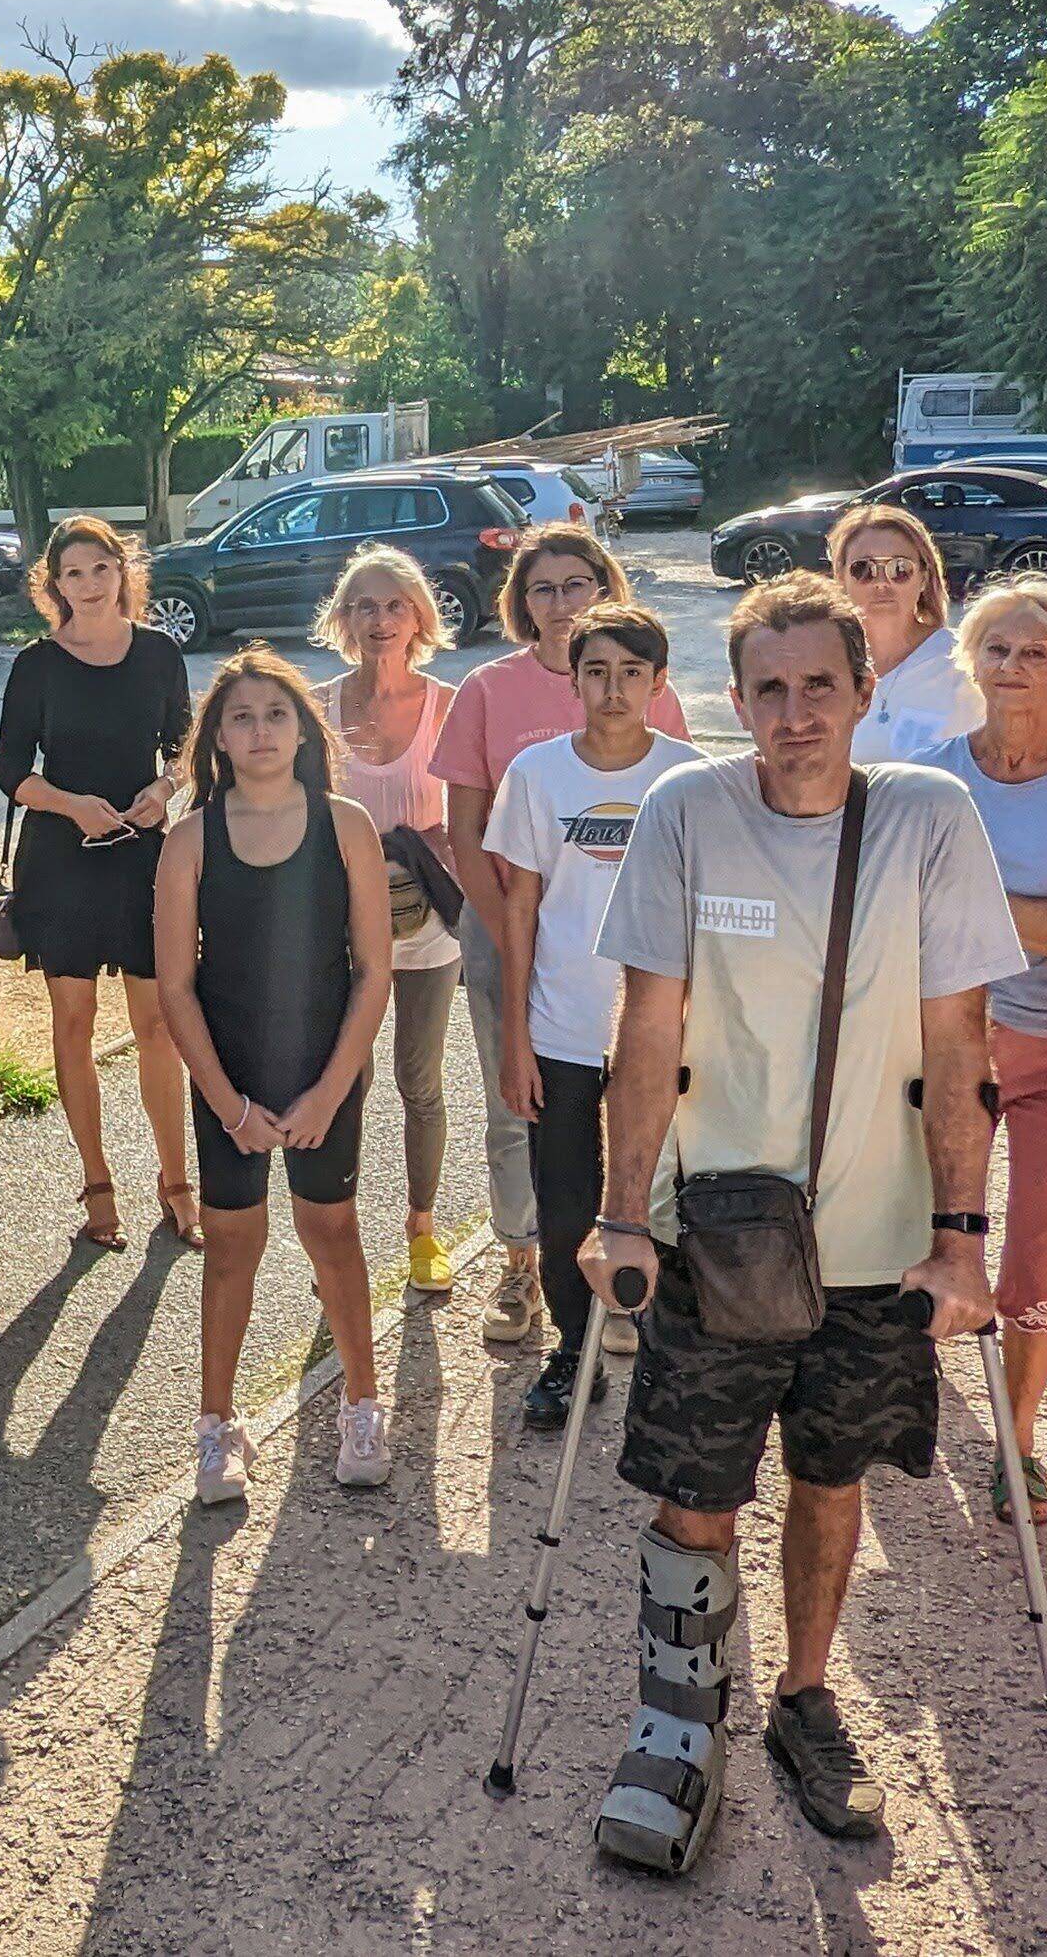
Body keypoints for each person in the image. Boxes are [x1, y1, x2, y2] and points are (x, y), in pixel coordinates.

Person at [572, 573, 1025, 1871]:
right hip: (715, 1232)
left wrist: (961, 1238)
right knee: (693, 1493)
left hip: (877, 1242)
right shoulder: (685, 812)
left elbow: (958, 1037)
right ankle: (676, 1725)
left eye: (818, 685)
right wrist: (620, 1221)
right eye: (766, 689)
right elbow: (647, 1028)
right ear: (735, 700)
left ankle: (802, 1700)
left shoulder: (929, 818)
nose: (792, 712)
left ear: (863, 690)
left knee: (831, 1483)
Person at [904, 578, 1047, 1526]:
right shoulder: (930, 773)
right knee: (910, 1231)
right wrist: (1017, 921)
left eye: (1034, 653)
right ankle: (901, 1397)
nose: (1011, 667)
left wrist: (970, 912)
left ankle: (1019, 1435)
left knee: (1045, 1253)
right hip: (937, 1041)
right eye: (995, 649)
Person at [434, 521, 691, 1356]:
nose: (558, 600)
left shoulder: (668, 741)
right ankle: (528, 1272)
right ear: (521, 601)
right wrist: (520, 945)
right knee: (528, 1121)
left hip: (634, 978)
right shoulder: (490, 693)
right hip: (517, 932)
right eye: (540, 587)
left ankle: (627, 1282)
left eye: (575, 583)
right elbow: (469, 829)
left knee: (648, 1127)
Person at [153, 649, 398, 1506]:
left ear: (304, 729)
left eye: (276, 714)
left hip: (324, 1070)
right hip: (231, 1079)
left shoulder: (347, 825)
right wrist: (229, 1105)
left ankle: (363, 1404)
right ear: (216, 738)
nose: (259, 731)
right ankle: (216, 1424)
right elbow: (176, 986)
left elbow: (373, 970)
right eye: (241, 717)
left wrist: (329, 1092)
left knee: (331, 1229)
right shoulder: (191, 838)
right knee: (231, 1246)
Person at [481, 600, 701, 1433]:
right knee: (566, 1198)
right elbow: (521, 908)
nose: (613, 691)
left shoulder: (688, 776)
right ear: (571, 680)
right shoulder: (538, 776)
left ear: (658, 682)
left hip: (664, 1028)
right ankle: (574, 1351)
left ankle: (671, 1346)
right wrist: (514, 1039)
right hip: (562, 1024)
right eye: (597, 672)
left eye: (631, 673)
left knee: (672, 1190)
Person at [0, 516, 198, 1248]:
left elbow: (185, 745)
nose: (88, 583)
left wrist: (165, 786)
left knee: (156, 1029)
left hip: (143, 858)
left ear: (122, 571)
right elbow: (10, 770)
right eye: (72, 573)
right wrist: (69, 802)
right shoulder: (37, 665)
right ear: (55, 585)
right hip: (63, 860)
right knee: (74, 1027)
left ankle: (177, 1185)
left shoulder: (159, 654)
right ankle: (97, 1188)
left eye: (99, 568)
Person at [314, 546, 466, 1295]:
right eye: (364, 606)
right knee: (347, 1081)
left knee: (420, 1082)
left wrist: (422, 846)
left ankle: (421, 1229)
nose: (380, 620)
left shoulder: (449, 704)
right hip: (345, 933)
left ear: (418, 617)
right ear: (344, 620)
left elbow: (473, 817)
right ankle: (338, 1241)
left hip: (428, 926)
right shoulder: (317, 706)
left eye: (393, 605)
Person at [831, 502, 977, 763]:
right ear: (841, 578)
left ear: (923, 577)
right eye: (863, 569)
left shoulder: (966, 662)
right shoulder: (821, 665)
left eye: (899, 569)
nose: (881, 583)